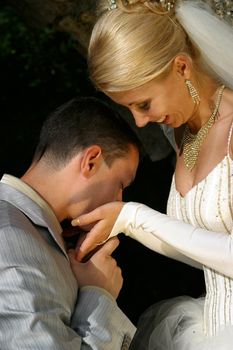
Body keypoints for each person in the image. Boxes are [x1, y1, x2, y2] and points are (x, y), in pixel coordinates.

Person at [70, 1, 233, 349]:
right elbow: (199, 247)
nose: (141, 122)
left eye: (143, 104)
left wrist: (134, 216)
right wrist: (121, 225)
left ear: (182, 67)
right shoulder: (182, 132)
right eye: (128, 108)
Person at [0, 96, 141, 349]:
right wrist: (99, 297)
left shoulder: (26, 228)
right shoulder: (11, 236)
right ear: (91, 161)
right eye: (121, 184)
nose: (119, 203)